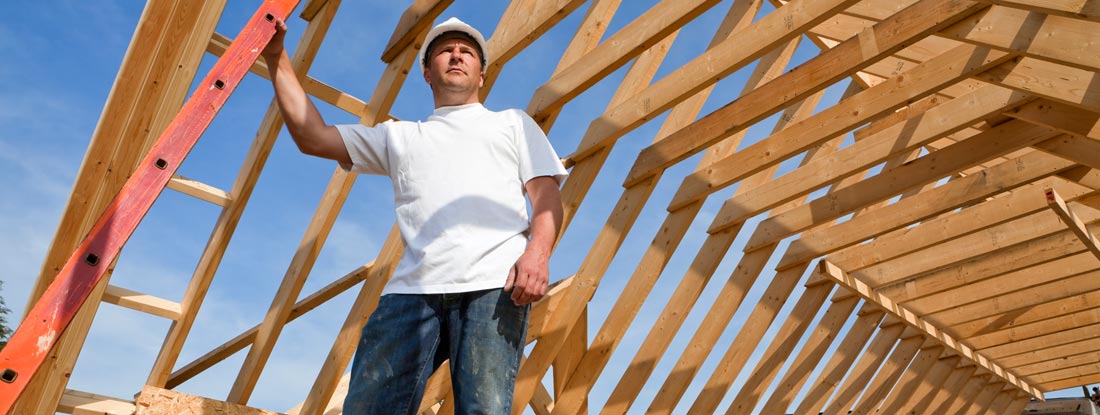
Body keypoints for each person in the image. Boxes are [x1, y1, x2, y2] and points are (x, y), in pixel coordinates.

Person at [261, 15, 567, 415]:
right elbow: (313, 137)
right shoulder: (400, 137)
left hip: (493, 285)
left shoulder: (512, 124)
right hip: (411, 292)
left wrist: (538, 253)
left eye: (467, 51)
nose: (456, 55)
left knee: (483, 410)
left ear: (481, 75)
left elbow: (546, 197)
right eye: (445, 50)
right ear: (426, 72)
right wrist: (276, 56)